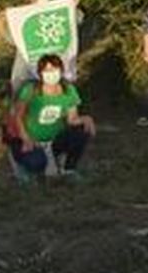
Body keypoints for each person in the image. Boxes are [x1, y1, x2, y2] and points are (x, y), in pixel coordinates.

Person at [5, 54, 95, 182]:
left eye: (54, 70)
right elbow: (18, 117)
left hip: (54, 139)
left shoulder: (68, 90)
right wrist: (26, 138)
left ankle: (68, 169)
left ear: (61, 71)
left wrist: (86, 119)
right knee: (36, 163)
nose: (51, 74)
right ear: (40, 73)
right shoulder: (30, 90)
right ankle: (23, 165)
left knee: (81, 132)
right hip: (32, 140)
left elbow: (72, 119)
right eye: (46, 71)